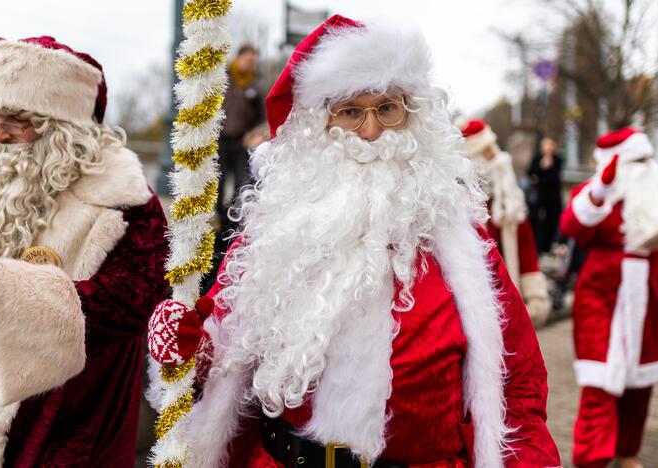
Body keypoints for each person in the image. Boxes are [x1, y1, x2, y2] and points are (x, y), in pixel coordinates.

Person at [147, 16, 560, 467]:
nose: (370, 131)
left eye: (387, 108)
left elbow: (518, 384)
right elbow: (215, 359)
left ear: (413, 116)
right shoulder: (272, 238)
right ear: (317, 125)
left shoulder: (462, 241)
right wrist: (185, 345)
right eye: (349, 111)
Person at [0, 37, 169, 467]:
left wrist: (4, 297)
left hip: (60, 415)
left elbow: (136, 301)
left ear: (63, 128)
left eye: (16, 120)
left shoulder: (122, 201)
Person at [560, 128, 658, 468]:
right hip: (602, 293)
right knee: (600, 379)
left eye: (646, 160)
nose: (644, 167)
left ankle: (627, 450)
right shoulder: (597, 193)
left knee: (641, 382)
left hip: (650, 293)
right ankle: (593, 457)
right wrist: (599, 192)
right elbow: (571, 228)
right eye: (636, 160)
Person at [461, 120, 550, 326]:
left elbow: (526, 249)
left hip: (510, 302)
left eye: (493, 148)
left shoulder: (511, 206)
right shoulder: (462, 210)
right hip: (476, 307)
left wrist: (535, 296)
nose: (496, 157)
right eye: (486, 151)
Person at [216, 44, 264, 222]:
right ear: (239, 58)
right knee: (217, 183)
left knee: (241, 183)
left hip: (242, 142)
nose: (252, 64)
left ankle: (233, 220)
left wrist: (257, 135)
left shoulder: (256, 85)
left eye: (254, 61)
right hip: (220, 140)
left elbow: (261, 118)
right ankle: (218, 219)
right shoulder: (223, 78)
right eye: (249, 60)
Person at [528, 137, 564, 254]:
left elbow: (552, 178)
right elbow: (531, 173)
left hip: (552, 196)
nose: (548, 148)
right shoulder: (537, 158)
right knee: (537, 219)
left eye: (550, 145)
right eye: (545, 145)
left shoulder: (557, 159)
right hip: (539, 195)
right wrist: (542, 168)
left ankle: (548, 245)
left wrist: (541, 174)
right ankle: (538, 245)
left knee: (552, 220)